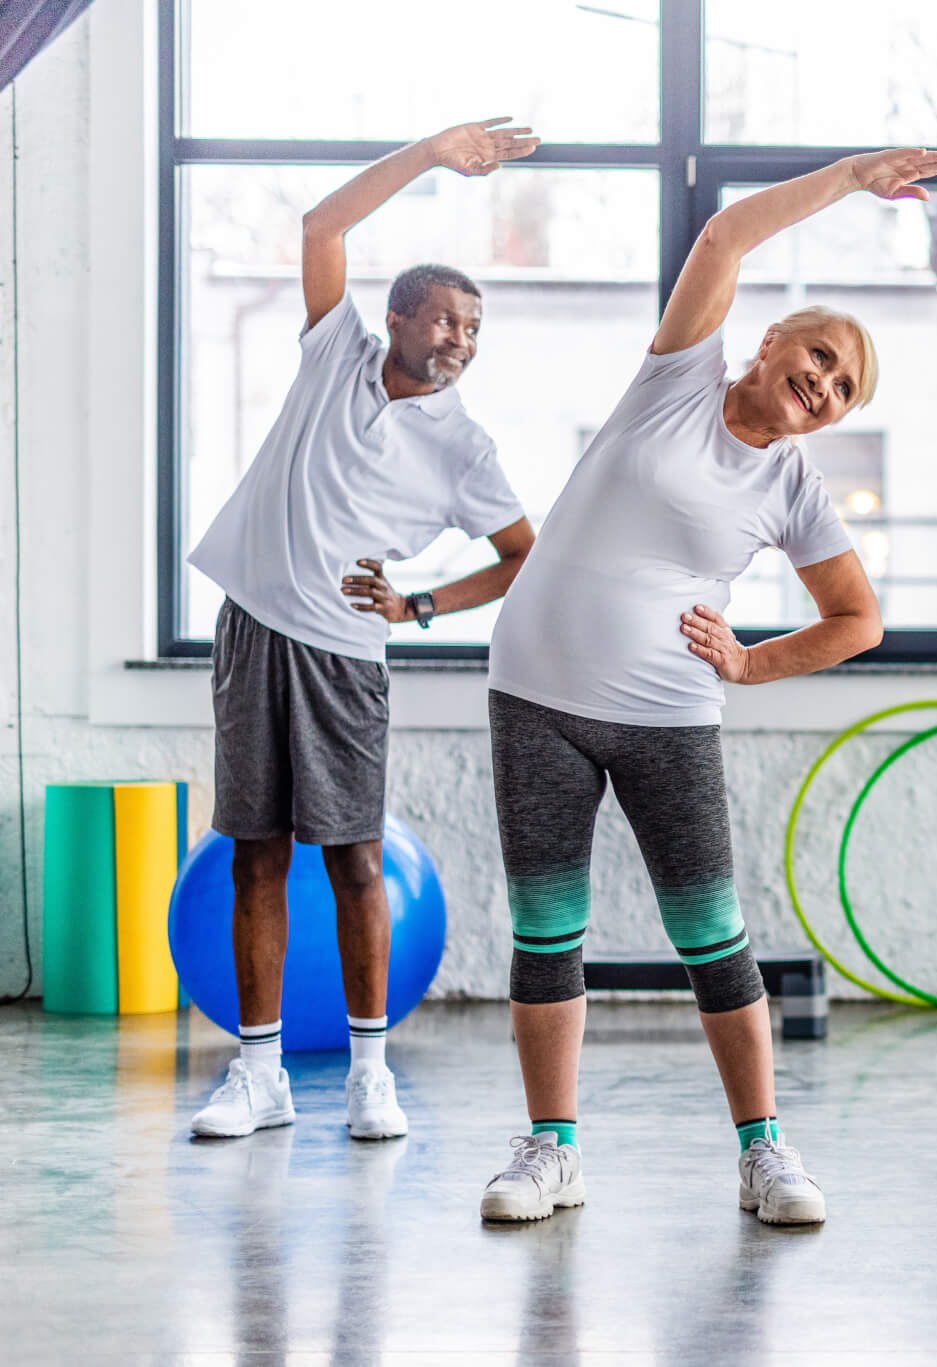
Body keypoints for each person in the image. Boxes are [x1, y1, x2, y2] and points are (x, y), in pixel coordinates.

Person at [475, 146, 937, 1225]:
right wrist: (850, 179)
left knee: (712, 936)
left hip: (666, 717)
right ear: (772, 338)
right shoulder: (677, 379)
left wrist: (746, 660)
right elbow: (726, 235)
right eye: (820, 356)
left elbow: (856, 619)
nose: (822, 386)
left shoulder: (792, 483)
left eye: (840, 392)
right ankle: (551, 1149)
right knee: (547, 929)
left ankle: (766, 1150)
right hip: (535, 695)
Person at [186, 119, 542, 1142]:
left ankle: (367, 1074)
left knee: (349, 859)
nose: (459, 341)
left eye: (473, 330)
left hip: (346, 658)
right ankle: (259, 1076)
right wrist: (433, 154)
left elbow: (525, 555)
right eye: (444, 321)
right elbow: (320, 223)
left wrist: (420, 605)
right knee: (254, 850)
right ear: (395, 317)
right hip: (253, 629)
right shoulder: (334, 350)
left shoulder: (463, 447)